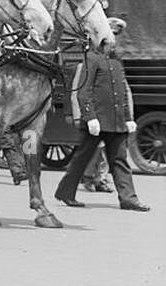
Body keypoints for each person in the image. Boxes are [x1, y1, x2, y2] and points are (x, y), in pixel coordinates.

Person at [55, 19, 149, 212]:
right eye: (112, 37)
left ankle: (128, 199)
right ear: (102, 38)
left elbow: (121, 92)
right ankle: (65, 192)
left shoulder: (116, 61)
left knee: (120, 161)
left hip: (116, 121)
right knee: (82, 159)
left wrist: (128, 118)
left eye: (116, 37)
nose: (115, 41)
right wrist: (90, 117)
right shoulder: (91, 58)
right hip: (98, 121)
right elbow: (83, 91)